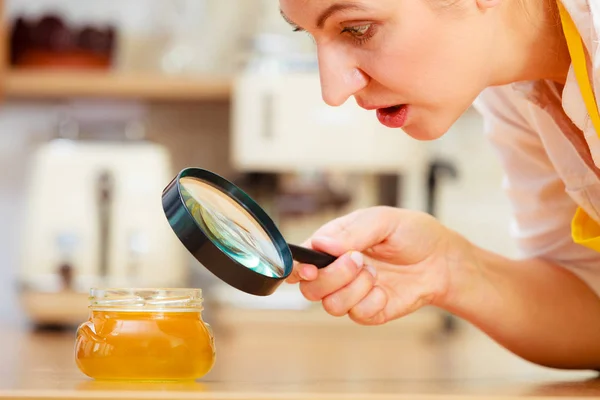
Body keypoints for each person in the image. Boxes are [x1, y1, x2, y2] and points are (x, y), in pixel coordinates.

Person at [278, 0, 600, 371]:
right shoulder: (514, 90)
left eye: (358, 29)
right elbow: (594, 303)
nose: (333, 91)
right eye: (308, 36)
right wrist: (450, 268)